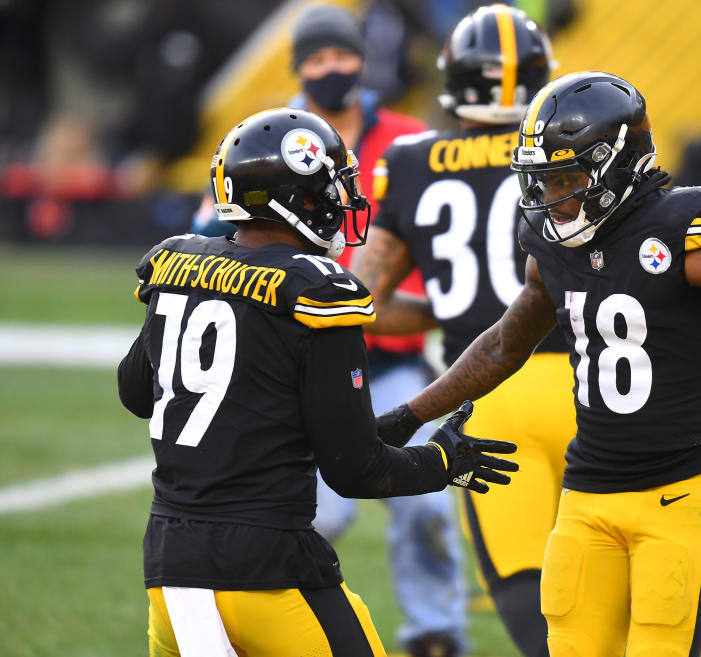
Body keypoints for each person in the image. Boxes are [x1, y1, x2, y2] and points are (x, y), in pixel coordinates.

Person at [377, 71, 701, 657]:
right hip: (586, 493)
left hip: (679, 492)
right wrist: (409, 415)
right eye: (541, 182)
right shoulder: (549, 249)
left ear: (619, 163)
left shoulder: (686, 231)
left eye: (565, 178)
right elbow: (503, 346)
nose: (549, 199)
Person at [116, 107, 517, 657]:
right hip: (268, 576)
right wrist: (443, 462)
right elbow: (355, 470)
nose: (340, 201)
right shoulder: (318, 290)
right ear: (296, 200)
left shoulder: (178, 263)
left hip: (170, 575)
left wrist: (402, 421)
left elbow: (135, 393)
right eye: (329, 189)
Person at [190, 6, 470, 655]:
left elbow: (441, 245)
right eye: (315, 60)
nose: (330, 69)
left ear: (361, 59)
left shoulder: (405, 140)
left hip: (391, 355)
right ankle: (276, 610)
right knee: (317, 506)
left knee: (426, 509)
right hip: (288, 356)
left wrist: (431, 302)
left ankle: (436, 631)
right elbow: (213, 229)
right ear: (297, 70)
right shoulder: (259, 139)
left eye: (340, 55)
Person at [354, 7, 570, 657]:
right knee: (615, 573)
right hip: (593, 380)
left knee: (524, 587)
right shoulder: (569, 141)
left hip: (486, 392)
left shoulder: (412, 159)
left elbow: (360, 301)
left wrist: (450, 313)